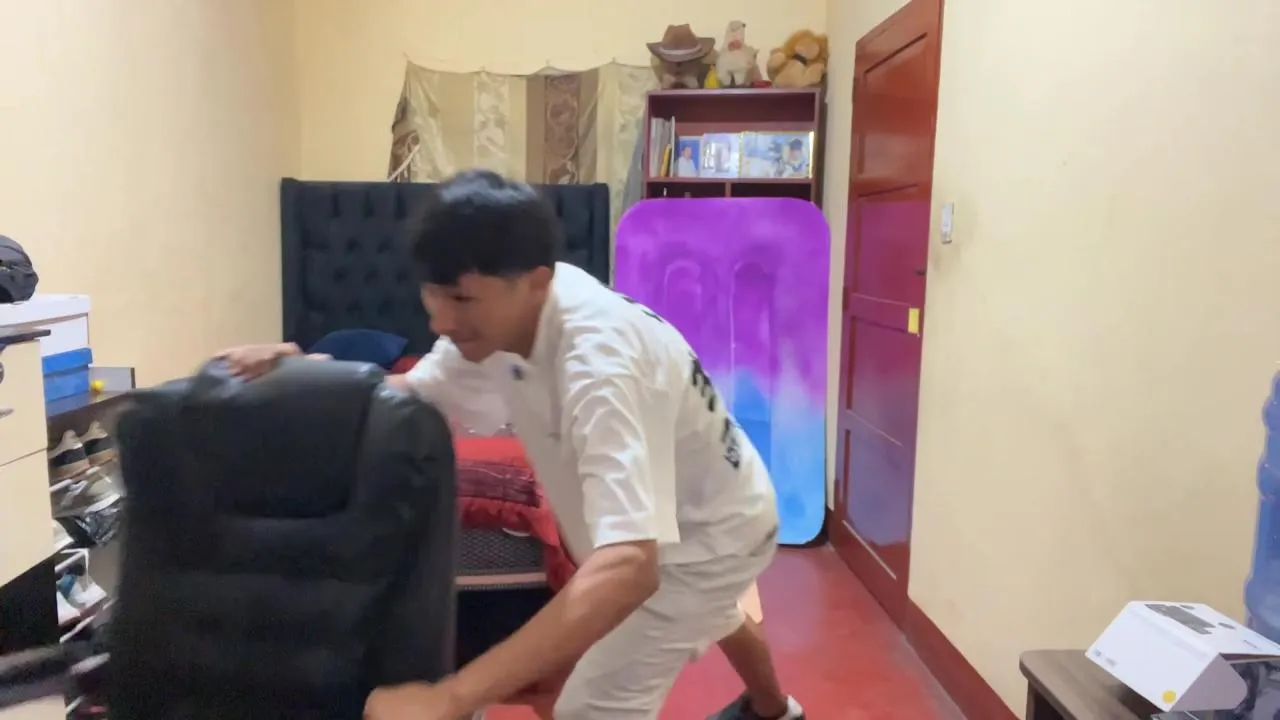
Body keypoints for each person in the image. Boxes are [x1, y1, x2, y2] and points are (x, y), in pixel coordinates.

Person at [216, 170, 805, 720]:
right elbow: (406, 388)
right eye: (434, 295)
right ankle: (776, 710)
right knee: (715, 612)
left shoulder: (598, 366)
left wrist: (453, 696)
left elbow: (630, 567)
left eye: (462, 300)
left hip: (709, 539)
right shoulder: (501, 322)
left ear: (536, 282)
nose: (441, 322)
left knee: (590, 706)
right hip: (705, 499)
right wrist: (302, 369)